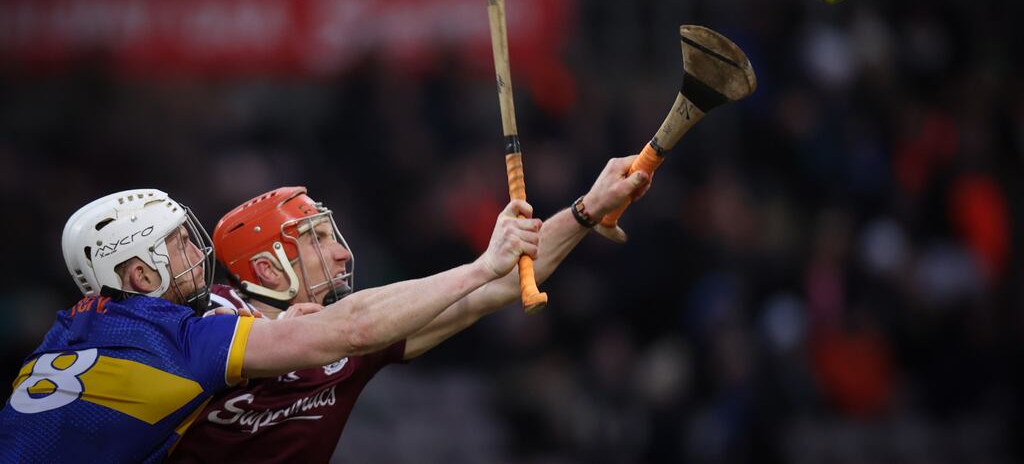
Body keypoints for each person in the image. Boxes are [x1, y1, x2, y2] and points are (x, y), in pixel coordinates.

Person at [0, 160, 648, 463]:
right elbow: (354, 323)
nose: (341, 252)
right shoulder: (196, 334)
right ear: (264, 267)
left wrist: (585, 210)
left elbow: (500, 289)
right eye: (313, 241)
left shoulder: (84, 327)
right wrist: (482, 261)